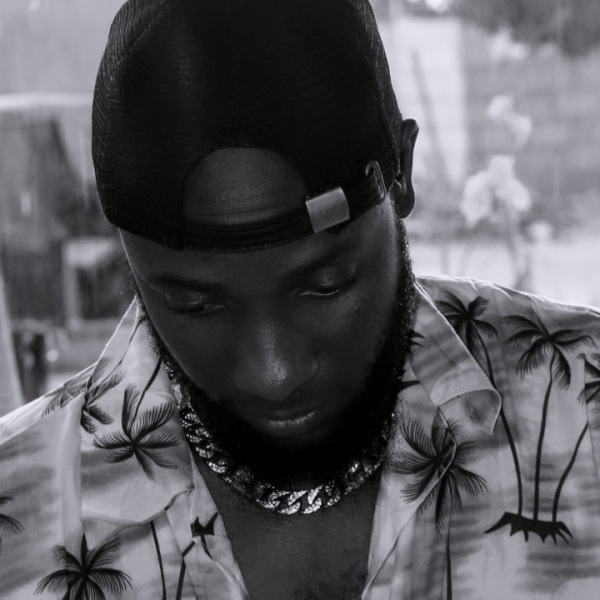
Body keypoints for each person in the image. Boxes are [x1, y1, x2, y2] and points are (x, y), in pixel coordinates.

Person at [1, 1, 599, 598]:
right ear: (129, 258)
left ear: (401, 173)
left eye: (326, 285)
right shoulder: (16, 521)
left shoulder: (583, 413)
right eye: (195, 305)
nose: (275, 375)